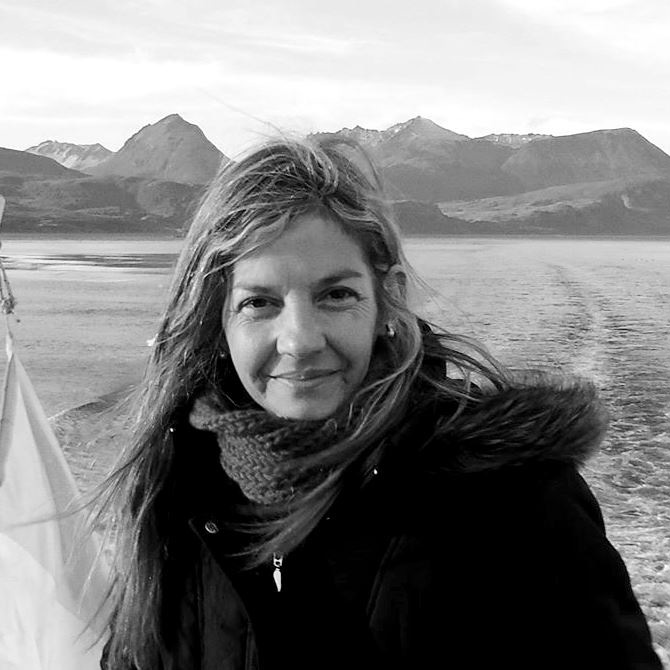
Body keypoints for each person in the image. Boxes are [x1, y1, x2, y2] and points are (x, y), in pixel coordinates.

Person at [96, 136, 662, 669]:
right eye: (259, 303)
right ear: (216, 322)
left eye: (336, 294)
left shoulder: (512, 498)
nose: (300, 340)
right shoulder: (179, 488)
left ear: (387, 300)